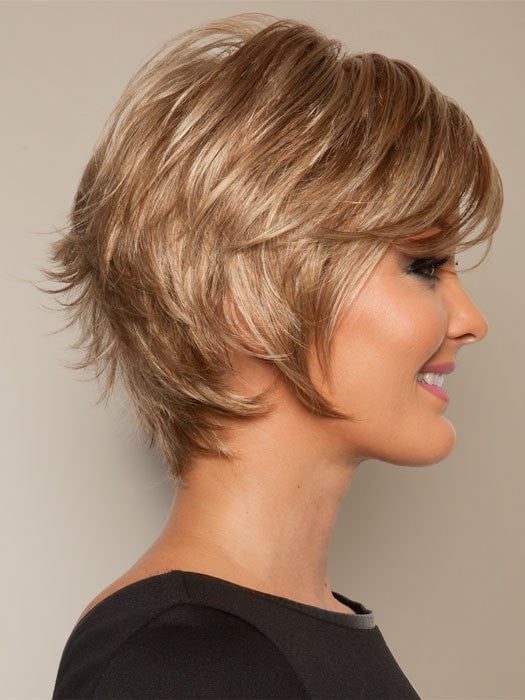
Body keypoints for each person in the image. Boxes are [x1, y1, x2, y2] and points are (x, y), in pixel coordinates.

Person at [45, 12, 503, 699]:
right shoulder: (180, 664)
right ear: (252, 300)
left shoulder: (278, 635)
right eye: (423, 265)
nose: (471, 322)